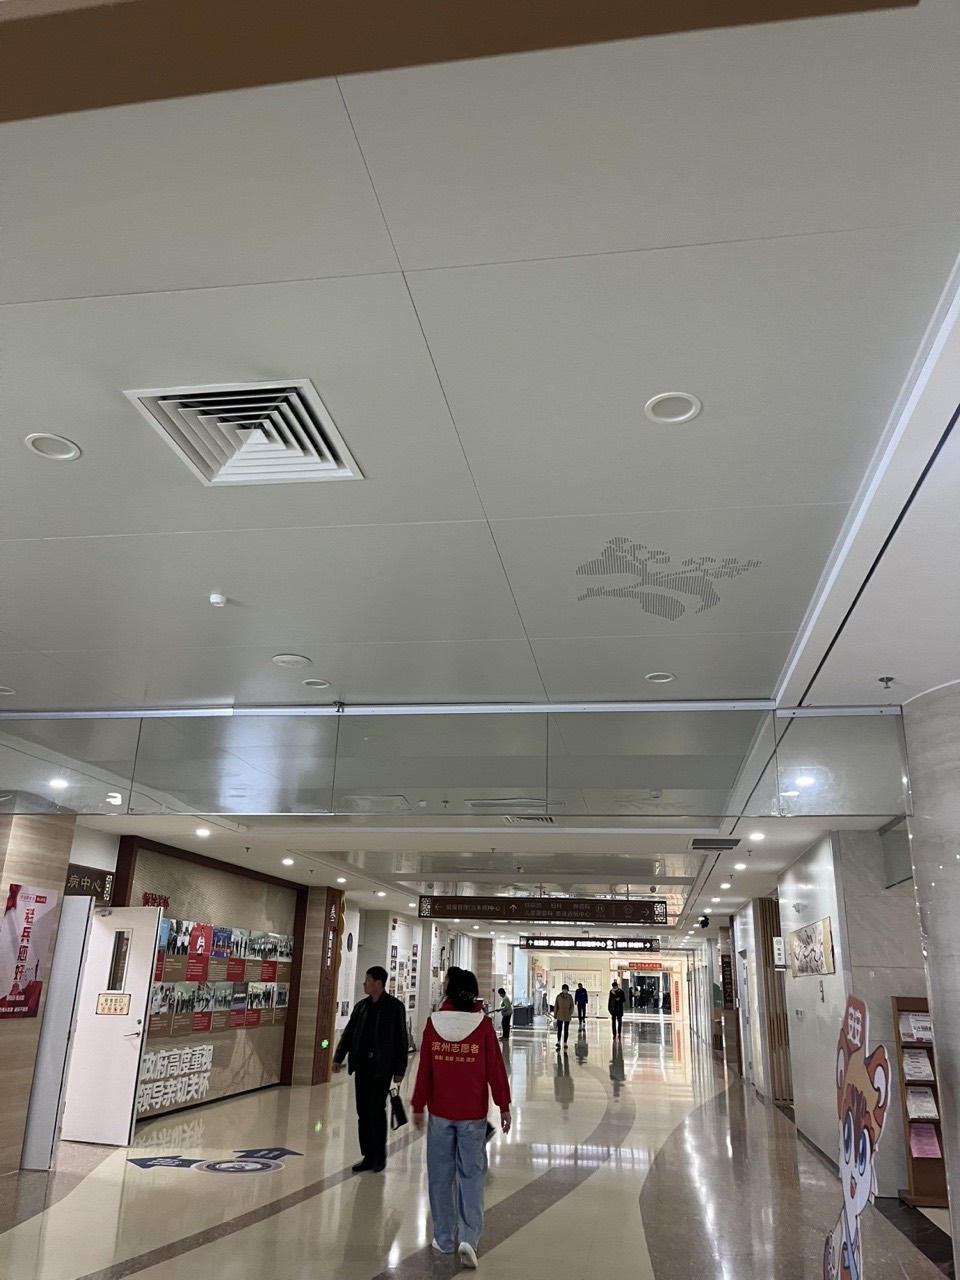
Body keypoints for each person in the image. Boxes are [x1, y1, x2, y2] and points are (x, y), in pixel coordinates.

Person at [412, 968, 511, 1270]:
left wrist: (418, 1105)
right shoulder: (483, 1026)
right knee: (472, 1176)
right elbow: (496, 1069)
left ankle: (444, 1238)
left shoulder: (433, 1023)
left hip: (441, 1114)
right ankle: (469, 1238)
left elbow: (425, 1069)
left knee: (440, 1176)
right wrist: (504, 1106)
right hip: (472, 1115)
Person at [333, 966, 409, 1173]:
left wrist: (400, 1069)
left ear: (378, 983)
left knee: (376, 1109)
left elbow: (401, 1039)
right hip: (362, 1067)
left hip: (381, 1068)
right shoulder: (361, 1007)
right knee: (362, 1112)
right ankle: (368, 1155)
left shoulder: (394, 1007)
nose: (364, 984)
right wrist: (338, 1057)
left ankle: (379, 1155)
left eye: (368, 980)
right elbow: (349, 1034)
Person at [553, 983, 575, 1048]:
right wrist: (555, 1014)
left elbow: (572, 1005)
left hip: (567, 1015)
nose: (565, 990)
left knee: (566, 1029)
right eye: (564, 989)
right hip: (560, 1015)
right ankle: (558, 1041)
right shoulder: (558, 997)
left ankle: (565, 1042)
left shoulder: (569, 997)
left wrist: (570, 1012)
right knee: (559, 1029)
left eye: (566, 989)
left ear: (567, 990)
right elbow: (556, 1006)